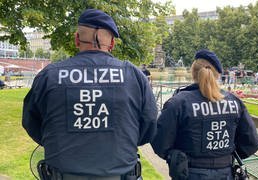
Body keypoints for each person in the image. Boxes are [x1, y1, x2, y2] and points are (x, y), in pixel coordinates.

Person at [22, 9, 157, 179]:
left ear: (77, 39)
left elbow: (31, 121)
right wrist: (122, 141)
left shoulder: (50, 76)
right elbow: (150, 124)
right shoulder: (134, 76)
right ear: (112, 43)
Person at [151, 49, 258, 180]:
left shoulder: (178, 103)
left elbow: (160, 142)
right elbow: (251, 142)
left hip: (190, 173)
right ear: (218, 75)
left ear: (193, 73)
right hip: (225, 173)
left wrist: (176, 157)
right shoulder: (234, 102)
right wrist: (225, 155)